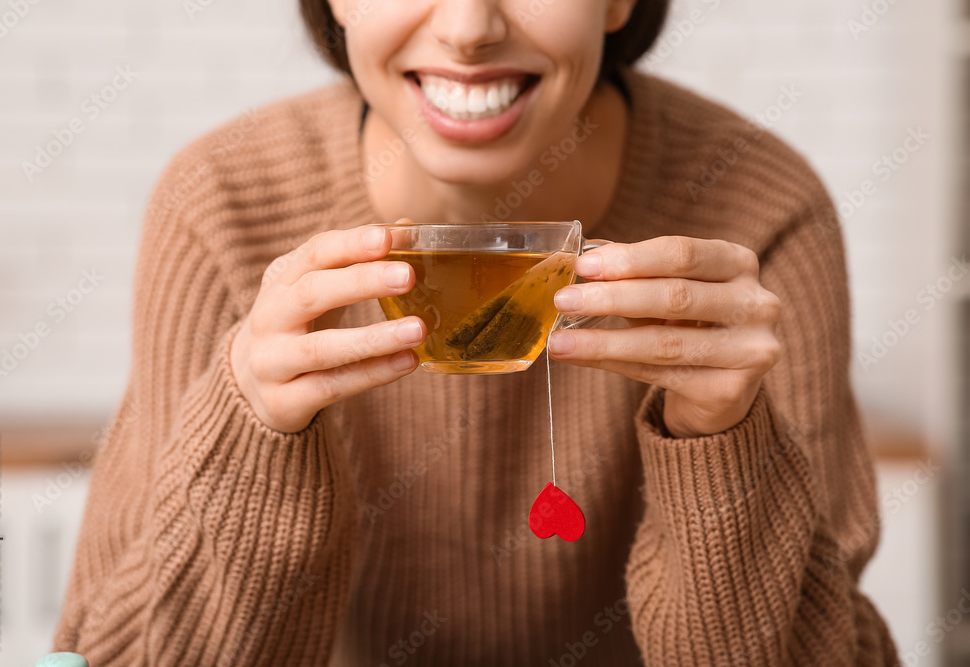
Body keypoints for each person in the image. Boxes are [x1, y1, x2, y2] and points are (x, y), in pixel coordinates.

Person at [53, 0, 901, 664]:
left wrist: (727, 446)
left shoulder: (760, 213)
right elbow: (108, 656)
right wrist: (248, 429)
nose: (467, 30)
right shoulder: (219, 206)